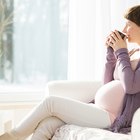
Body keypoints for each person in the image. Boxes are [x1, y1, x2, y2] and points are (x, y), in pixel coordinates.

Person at [1, 4, 140, 140]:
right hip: (99, 108)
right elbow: (106, 84)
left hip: (112, 116)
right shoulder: (133, 53)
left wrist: (121, 53)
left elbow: (131, 86)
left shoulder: (126, 55)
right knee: (48, 124)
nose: (124, 29)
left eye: (129, 25)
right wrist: (111, 55)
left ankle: (12, 137)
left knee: (51, 103)